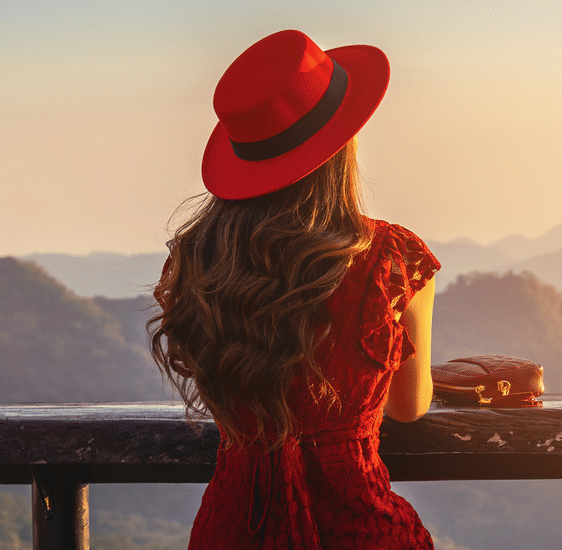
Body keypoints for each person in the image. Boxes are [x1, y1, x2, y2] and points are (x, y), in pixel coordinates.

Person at [150, 30, 439, 549]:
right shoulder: (390, 260)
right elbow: (409, 407)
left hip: (235, 529)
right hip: (358, 530)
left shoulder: (199, 262)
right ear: (341, 146)